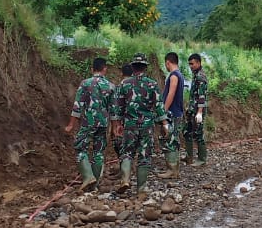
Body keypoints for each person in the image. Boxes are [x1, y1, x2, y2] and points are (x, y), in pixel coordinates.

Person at [112, 53, 170, 193]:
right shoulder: (152, 84)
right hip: (147, 126)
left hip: (129, 125)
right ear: (145, 67)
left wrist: (117, 125)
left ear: (132, 67)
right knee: (144, 156)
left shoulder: (124, 84)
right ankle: (141, 188)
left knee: (127, 153)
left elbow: (118, 107)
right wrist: (165, 124)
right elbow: (159, 106)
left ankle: (125, 180)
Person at [63, 57, 114, 192]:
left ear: (92, 69)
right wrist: (115, 126)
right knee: (99, 151)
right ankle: (94, 184)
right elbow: (114, 110)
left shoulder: (85, 84)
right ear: (105, 69)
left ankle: (87, 177)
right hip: (103, 123)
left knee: (80, 148)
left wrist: (71, 125)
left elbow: (77, 106)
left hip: (88, 122)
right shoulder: (110, 86)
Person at [159, 52, 186, 178]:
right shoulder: (180, 74)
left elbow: (171, 93)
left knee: (170, 140)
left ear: (168, 62)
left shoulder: (174, 76)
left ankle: (172, 170)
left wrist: (164, 109)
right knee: (174, 139)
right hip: (176, 112)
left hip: (172, 113)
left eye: (166, 64)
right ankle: (174, 169)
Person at [182, 53, 210, 166]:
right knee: (187, 131)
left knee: (199, 133)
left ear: (198, 63)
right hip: (192, 109)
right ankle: (189, 157)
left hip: (199, 110)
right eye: (189, 64)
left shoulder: (200, 77)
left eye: (192, 64)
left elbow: (201, 96)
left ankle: (202, 159)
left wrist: (199, 112)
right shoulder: (195, 75)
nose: (190, 66)